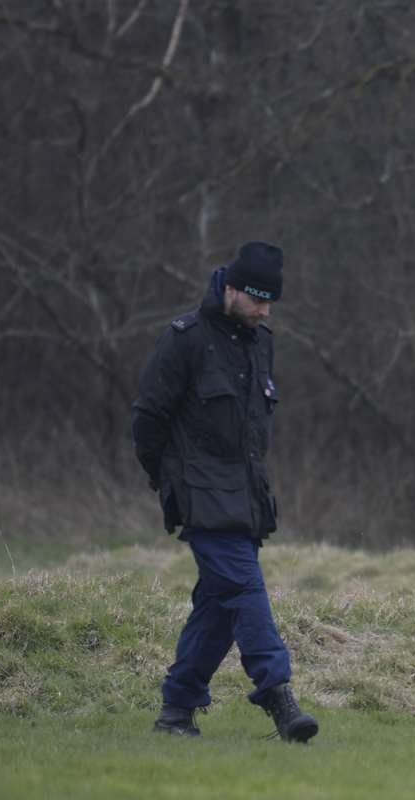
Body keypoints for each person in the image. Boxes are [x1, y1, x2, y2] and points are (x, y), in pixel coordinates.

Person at [131, 241, 318, 742]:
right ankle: (278, 697)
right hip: (199, 492)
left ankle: (176, 709)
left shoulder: (262, 341)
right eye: (256, 299)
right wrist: (167, 481)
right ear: (230, 290)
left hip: (247, 494)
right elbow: (148, 419)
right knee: (245, 589)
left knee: (218, 605)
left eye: (270, 302)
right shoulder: (185, 339)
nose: (264, 310)